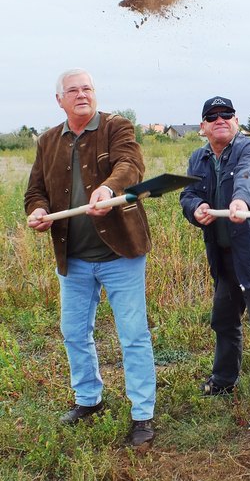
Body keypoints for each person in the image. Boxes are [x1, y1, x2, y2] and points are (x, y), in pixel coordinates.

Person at [24, 68, 156, 447]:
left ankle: (142, 414)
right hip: (74, 258)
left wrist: (108, 189)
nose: (82, 94)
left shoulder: (116, 127)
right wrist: (37, 211)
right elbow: (36, 191)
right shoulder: (48, 141)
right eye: (73, 90)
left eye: (87, 88)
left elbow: (130, 166)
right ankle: (88, 400)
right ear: (59, 100)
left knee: (133, 335)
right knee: (74, 333)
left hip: (120, 255)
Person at [179, 95, 250, 436]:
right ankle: (224, 380)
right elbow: (187, 194)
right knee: (223, 322)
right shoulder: (198, 158)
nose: (220, 119)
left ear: (236, 121)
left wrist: (240, 199)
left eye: (226, 114)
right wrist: (195, 207)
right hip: (225, 260)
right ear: (203, 127)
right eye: (212, 116)